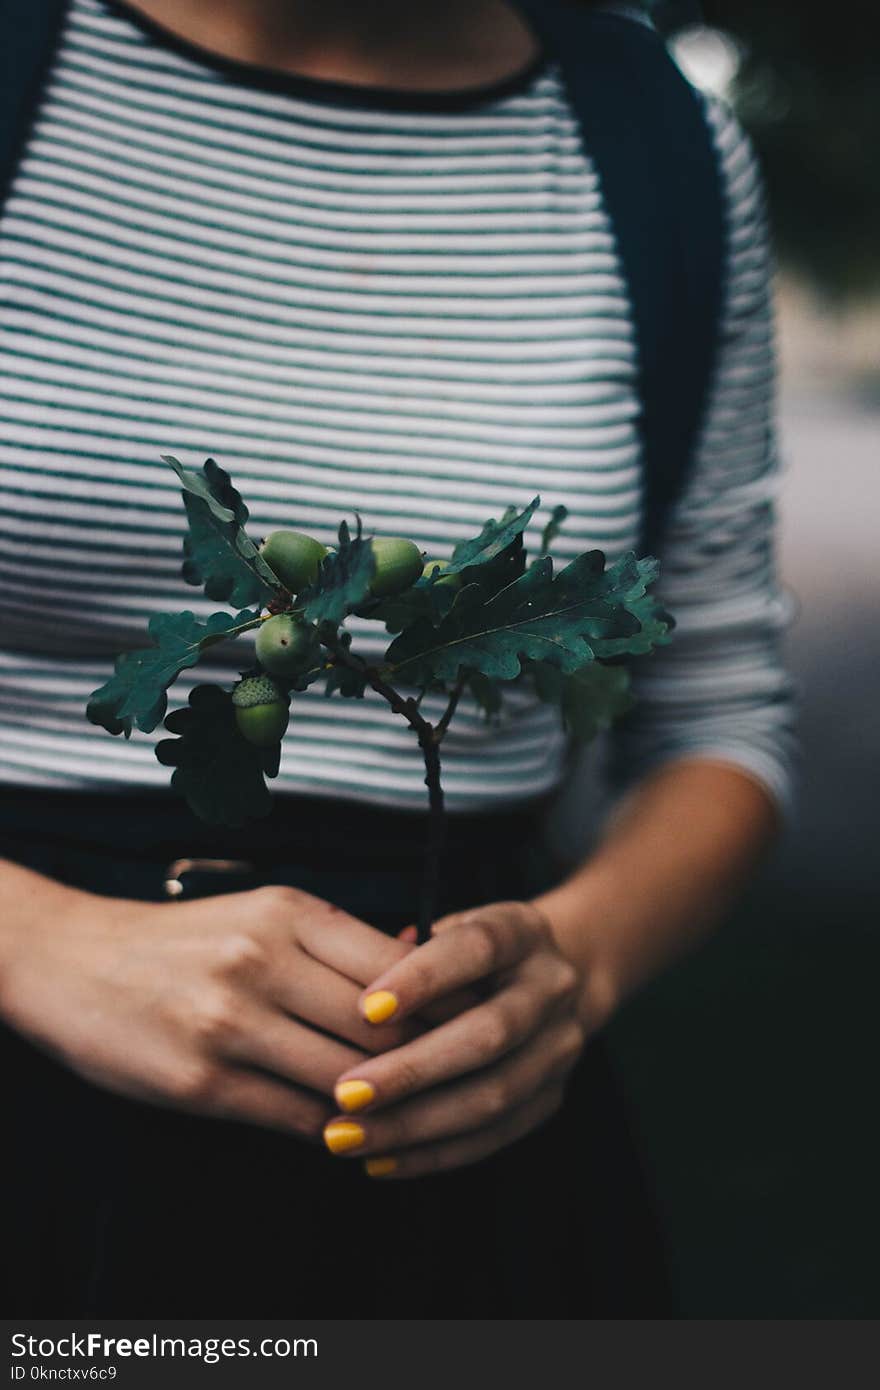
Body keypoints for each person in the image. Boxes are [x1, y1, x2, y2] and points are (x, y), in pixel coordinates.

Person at [0, 0, 795, 1315]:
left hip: (455, 1144)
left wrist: (574, 960)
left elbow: (720, 709)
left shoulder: (657, 148)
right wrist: (33, 944)